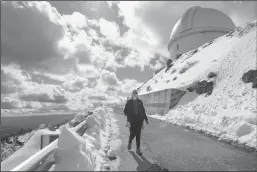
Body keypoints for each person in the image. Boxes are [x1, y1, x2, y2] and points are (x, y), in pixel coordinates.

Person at [123, 89, 149, 155]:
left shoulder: (140, 102)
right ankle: (130, 141)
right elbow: (125, 111)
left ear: (137, 94)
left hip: (139, 121)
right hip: (131, 121)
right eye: (134, 93)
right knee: (132, 134)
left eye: (136, 93)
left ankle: (138, 149)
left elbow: (143, 111)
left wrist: (146, 119)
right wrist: (129, 116)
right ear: (132, 94)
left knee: (138, 135)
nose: (135, 94)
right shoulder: (129, 102)